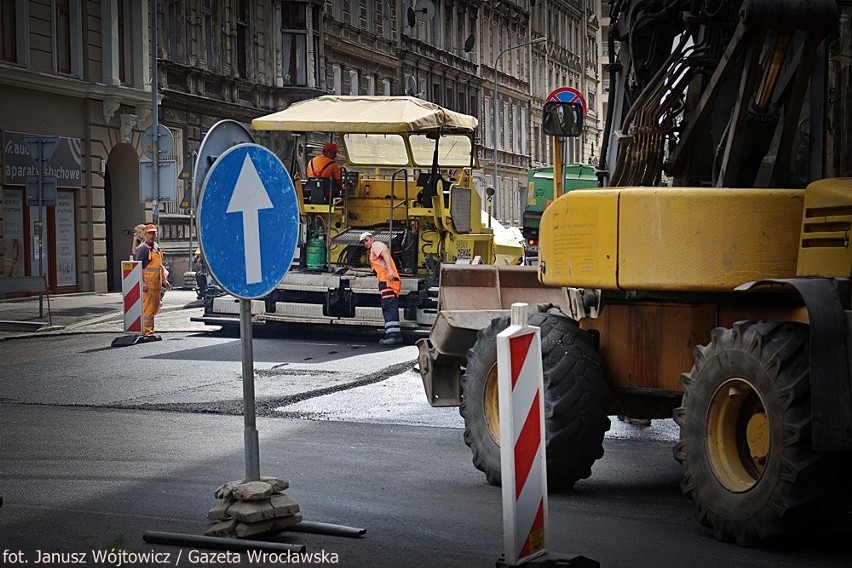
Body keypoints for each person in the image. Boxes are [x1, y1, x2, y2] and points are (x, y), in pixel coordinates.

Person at [360, 231, 403, 346]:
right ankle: (393, 334)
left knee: (389, 307)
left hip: (388, 282)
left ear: (372, 238)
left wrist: (389, 271)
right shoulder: (374, 248)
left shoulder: (376, 245)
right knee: (389, 306)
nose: (365, 243)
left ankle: (393, 336)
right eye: (363, 242)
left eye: (366, 240)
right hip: (387, 282)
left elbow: (386, 255)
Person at [134, 224, 170, 336]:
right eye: (150, 233)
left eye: (154, 233)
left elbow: (160, 266)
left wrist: (164, 281)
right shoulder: (143, 249)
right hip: (148, 285)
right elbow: (137, 268)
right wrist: (142, 283)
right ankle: (147, 331)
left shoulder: (156, 248)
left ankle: (150, 330)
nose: (152, 235)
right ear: (145, 235)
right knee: (148, 310)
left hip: (156, 285)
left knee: (154, 308)